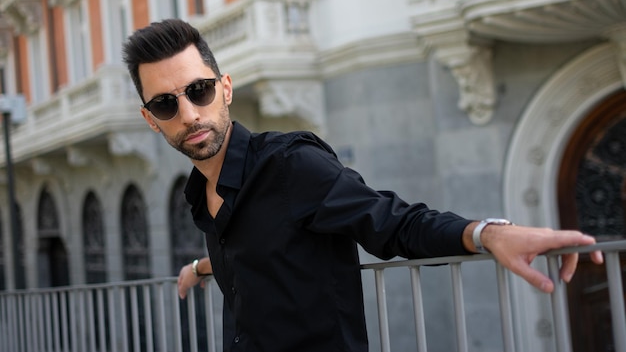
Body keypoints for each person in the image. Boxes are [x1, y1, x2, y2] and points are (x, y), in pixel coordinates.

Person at [122, 19, 603, 352]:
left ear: (225, 88)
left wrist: (491, 233)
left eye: (199, 91)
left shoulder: (291, 165)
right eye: (166, 104)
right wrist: (203, 266)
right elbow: (257, 245)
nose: (188, 114)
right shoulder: (198, 194)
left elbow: (394, 223)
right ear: (150, 119)